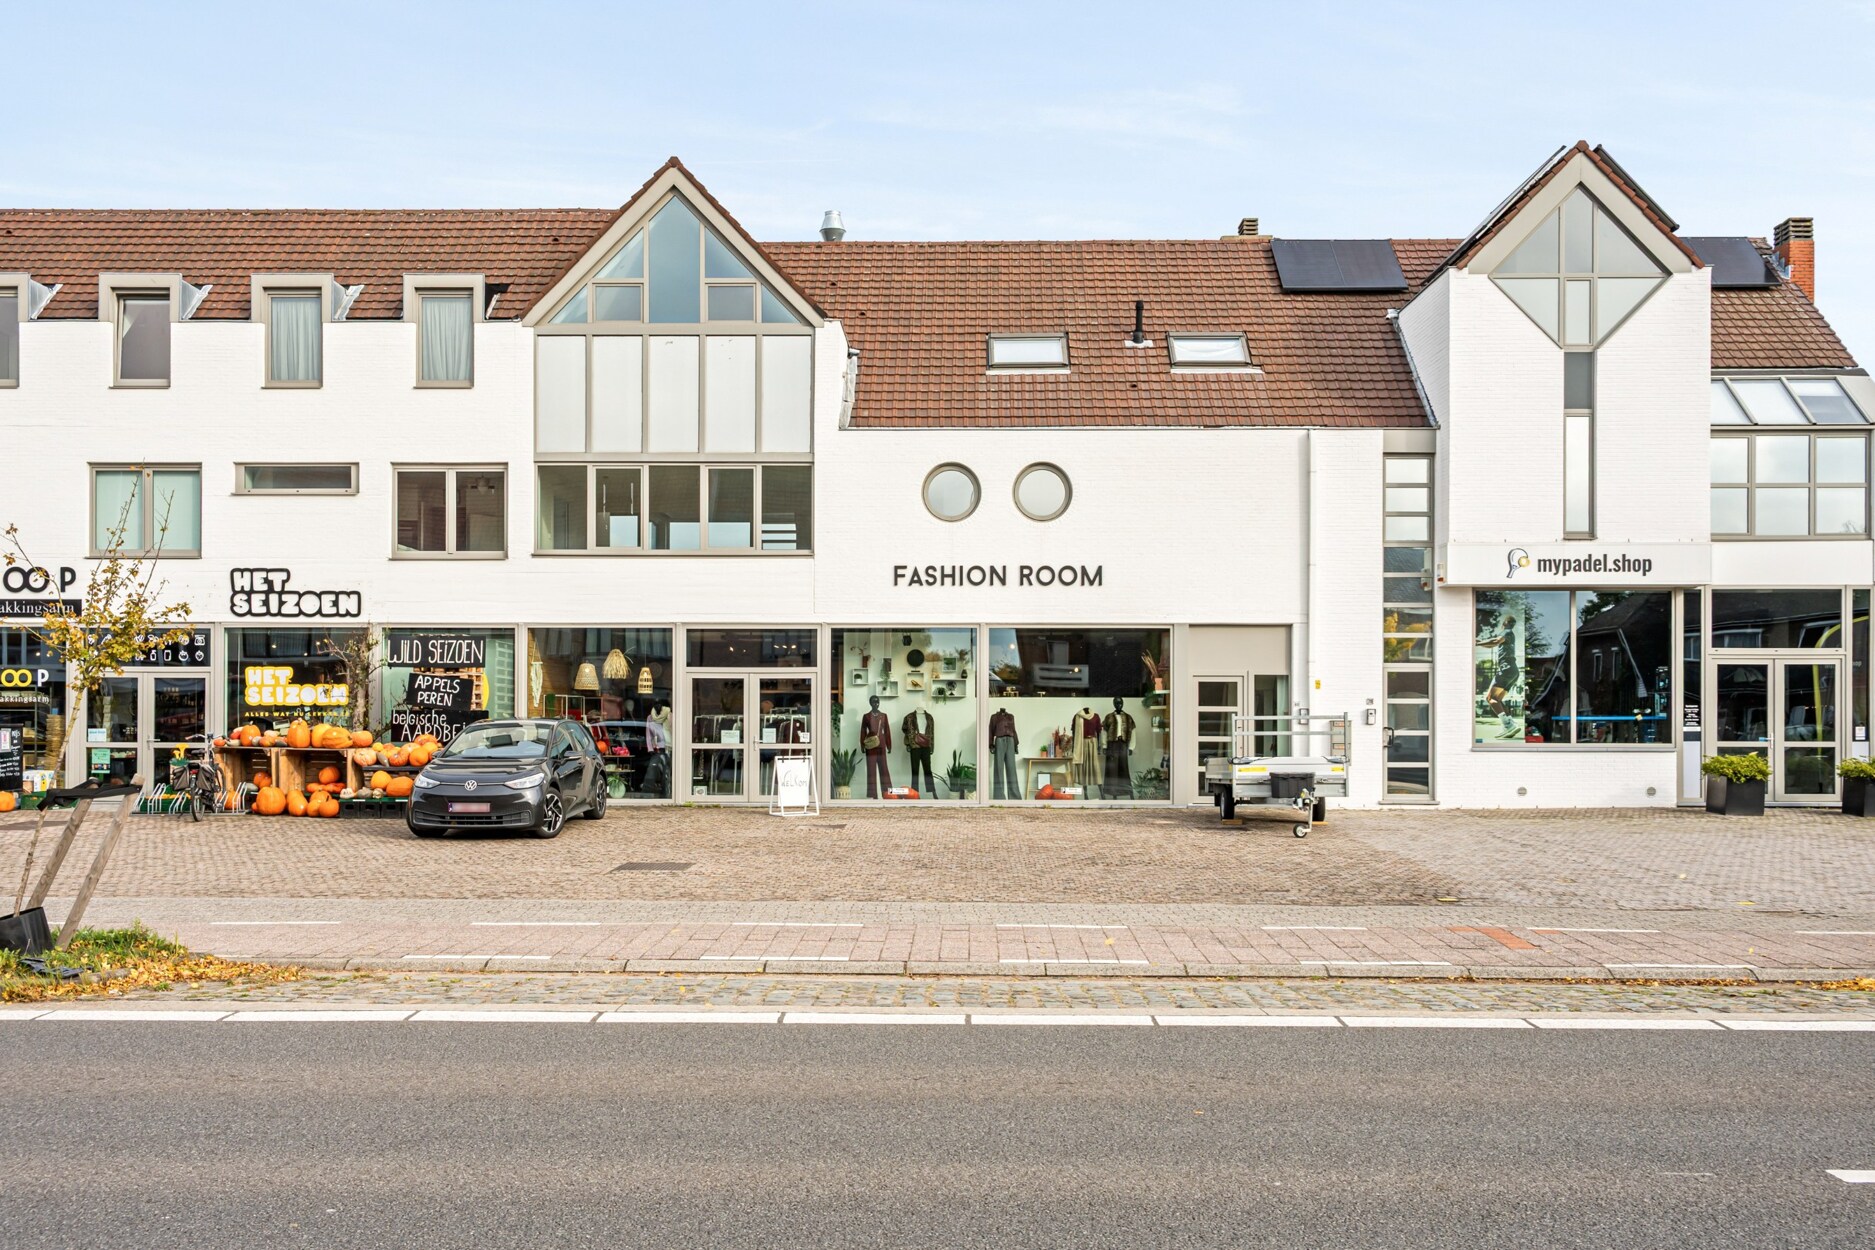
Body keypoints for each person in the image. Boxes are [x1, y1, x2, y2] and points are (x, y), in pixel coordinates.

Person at [1475, 610, 1522, 739]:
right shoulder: (1511, 634)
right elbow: (1493, 644)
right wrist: (1481, 642)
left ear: (1505, 623)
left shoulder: (1506, 631)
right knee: (1498, 700)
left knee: (1490, 698)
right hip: (1513, 671)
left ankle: (1508, 725)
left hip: (1506, 670)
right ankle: (1510, 724)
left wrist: (1477, 643)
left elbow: (1495, 641)